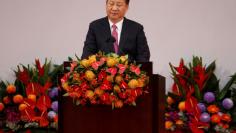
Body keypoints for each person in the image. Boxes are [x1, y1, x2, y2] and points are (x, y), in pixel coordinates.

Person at [81, 0, 150, 62]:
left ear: (127, 7)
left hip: (128, 74)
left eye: (119, 5)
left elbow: (143, 56)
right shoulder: (95, 26)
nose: (114, 8)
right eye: (111, 4)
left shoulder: (136, 28)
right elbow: (87, 55)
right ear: (106, 4)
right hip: (102, 74)